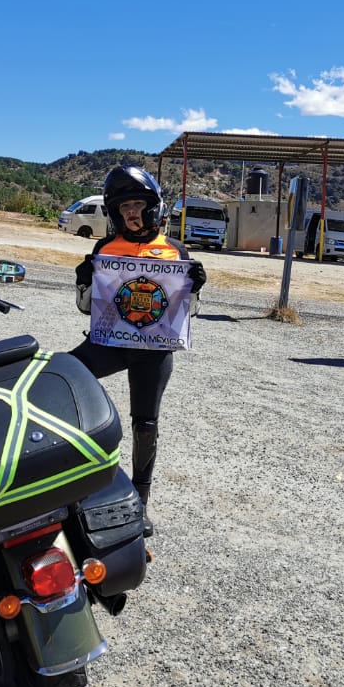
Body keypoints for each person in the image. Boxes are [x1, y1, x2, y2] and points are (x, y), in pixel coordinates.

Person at [70, 166, 206, 534]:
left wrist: (195, 287)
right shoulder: (105, 248)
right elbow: (87, 308)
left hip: (154, 351)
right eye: (124, 206)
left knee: (146, 425)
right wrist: (84, 282)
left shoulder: (175, 250)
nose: (132, 212)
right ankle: (69, 482)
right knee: (61, 379)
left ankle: (140, 503)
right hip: (110, 343)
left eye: (139, 204)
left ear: (155, 207)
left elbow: (186, 312)